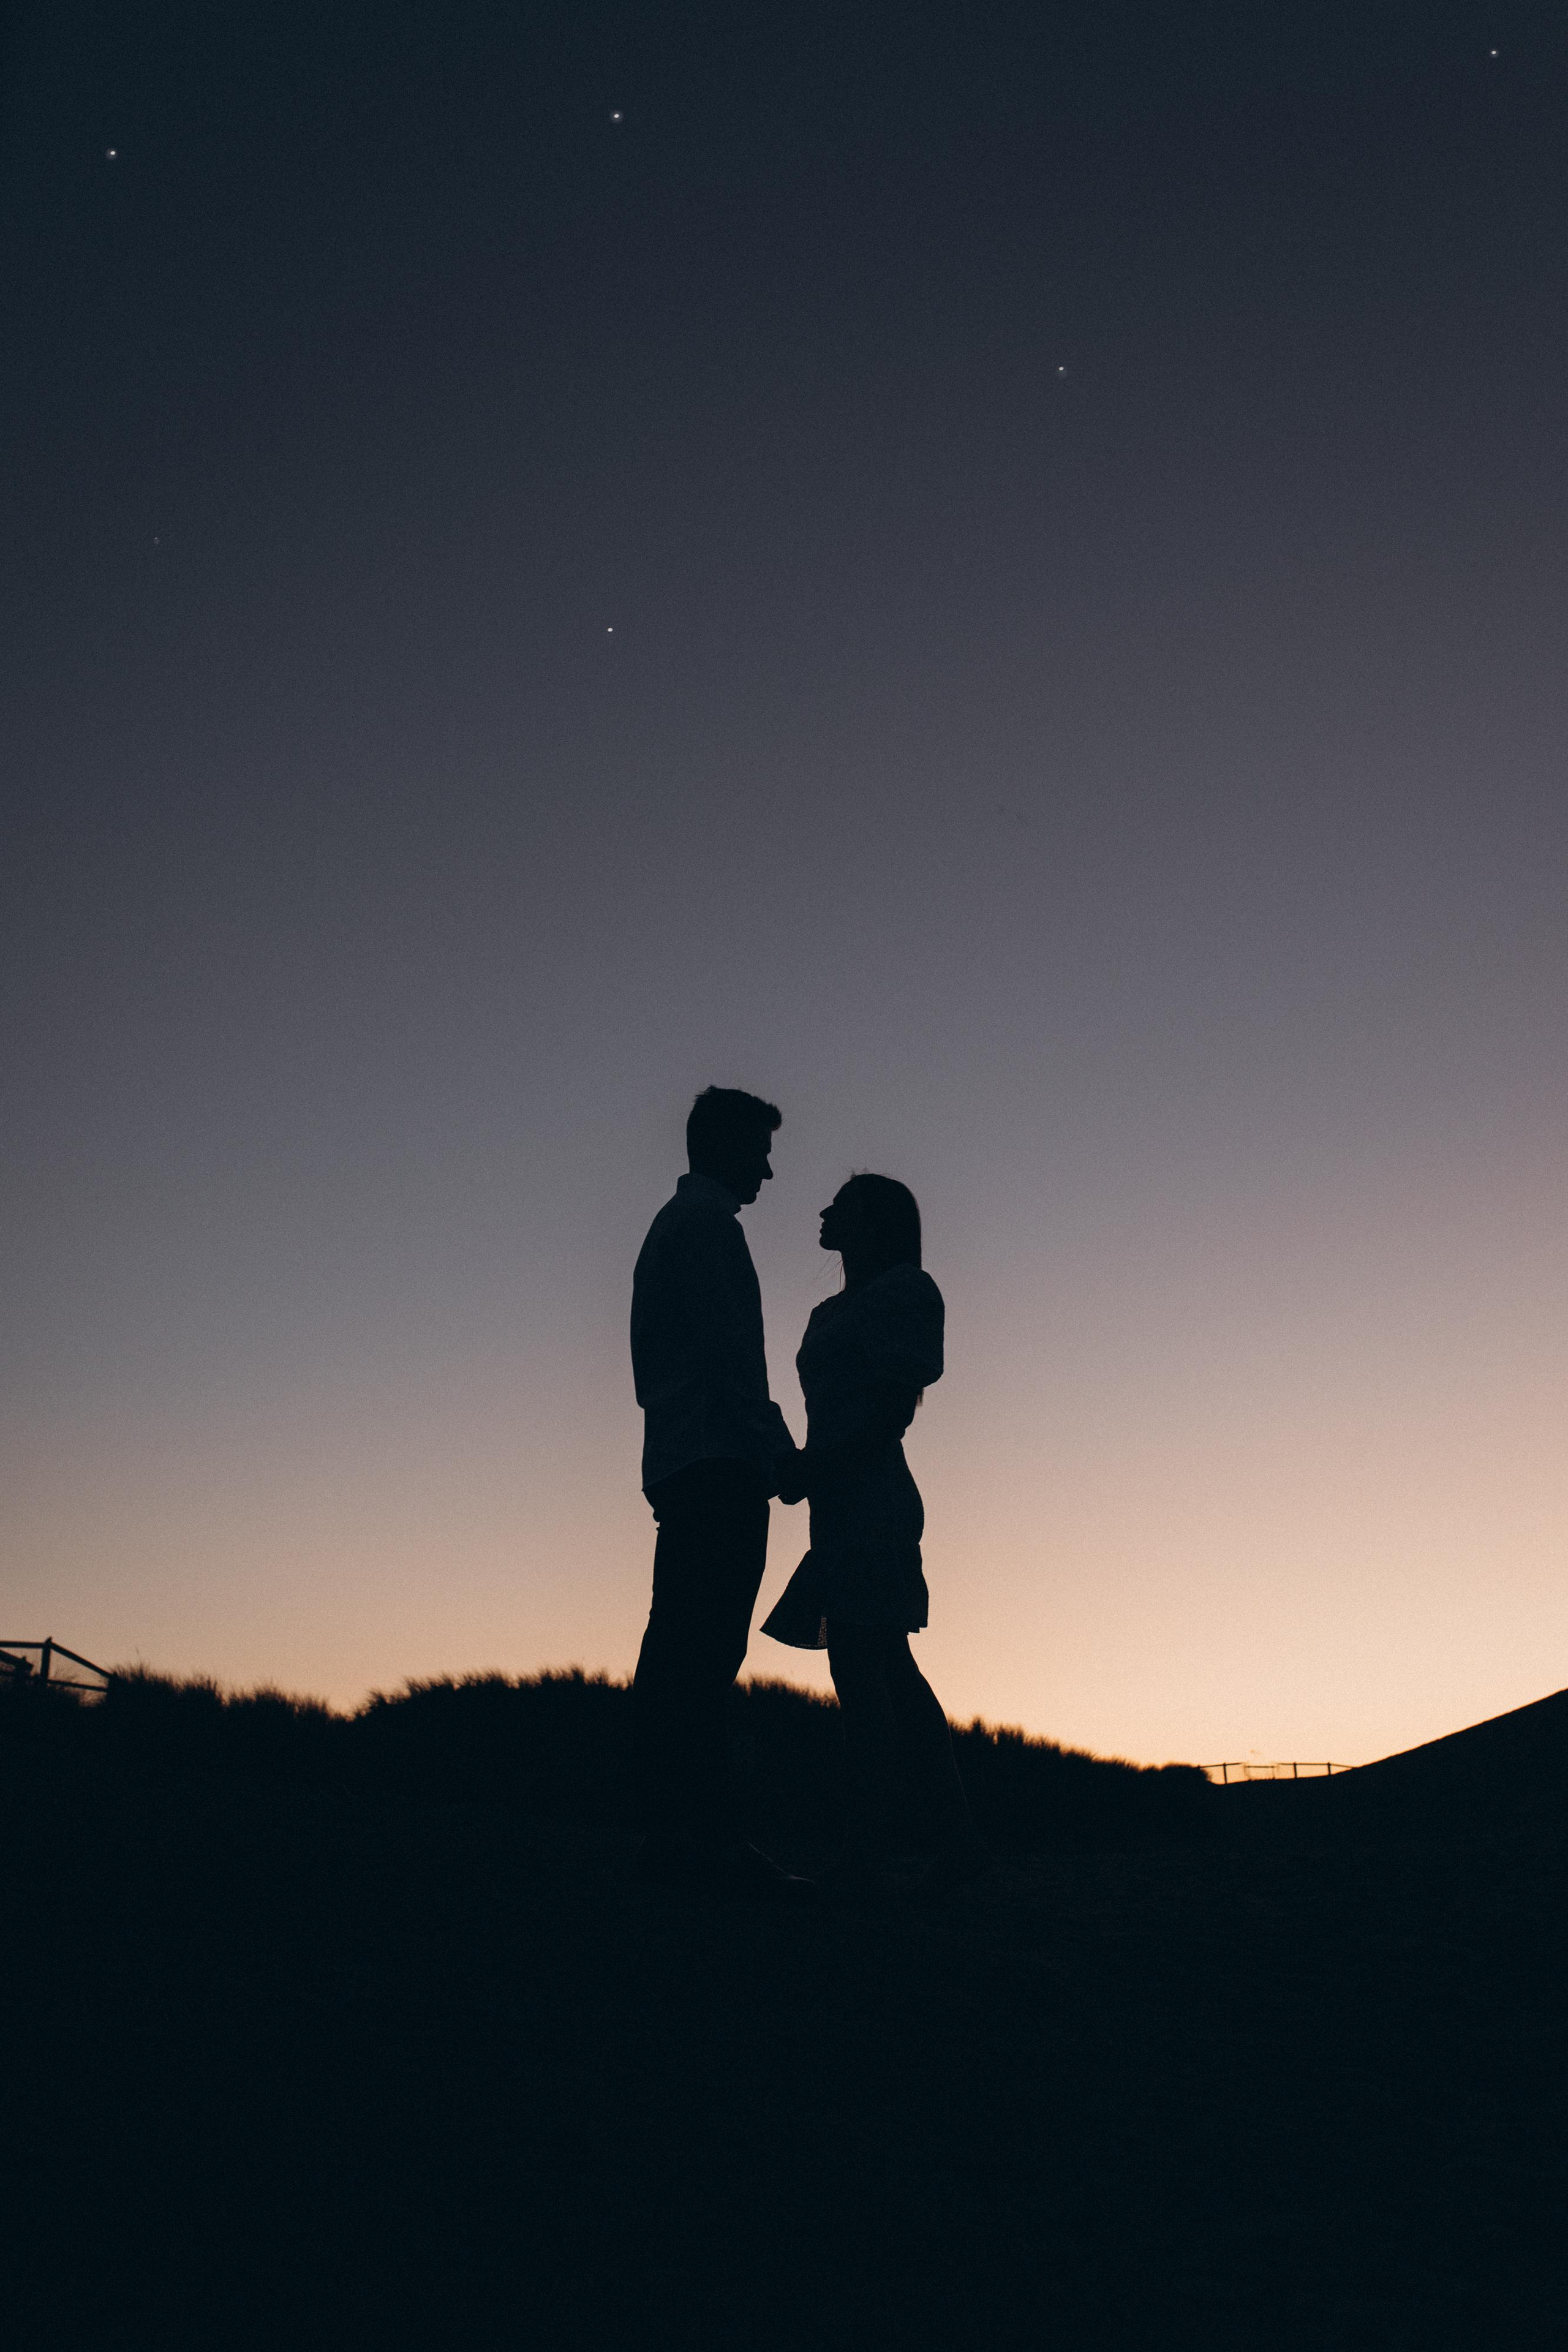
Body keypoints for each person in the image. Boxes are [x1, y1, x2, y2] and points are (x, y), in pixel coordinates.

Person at [764, 1174, 988, 1893]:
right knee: (882, 1667)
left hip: (869, 1493)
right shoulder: (830, 1310)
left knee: (866, 1671)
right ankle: (949, 1844)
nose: (826, 1211)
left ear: (877, 1220)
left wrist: (814, 1467)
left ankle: (871, 1850)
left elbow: (891, 1412)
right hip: (834, 1496)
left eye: (845, 1202)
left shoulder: (904, 1291)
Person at [630, 1085, 802, 1892]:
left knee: (680, 1649)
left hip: (684, 1459)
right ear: (722, 1145)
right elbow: (732, 1364)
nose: (769, 1168)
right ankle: (706, 1845)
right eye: (759, 1149)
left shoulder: (678, 1229)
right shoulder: (706, 1232)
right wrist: (779, 1455)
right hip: (718, 1461)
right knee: (702, 1653)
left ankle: (671, 1834)